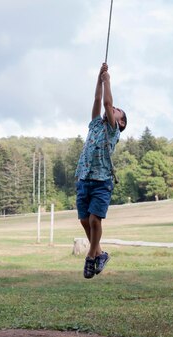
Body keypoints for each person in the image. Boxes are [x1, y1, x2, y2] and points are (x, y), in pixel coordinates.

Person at [75, 62, 127, 279]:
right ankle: (101, 254)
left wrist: (108, 81)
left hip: (101, 181)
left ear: (121, 122)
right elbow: (98, 101)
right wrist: (99, 77)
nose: (112, 109)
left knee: (96, 220)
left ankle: (90, 256)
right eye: (114, 109)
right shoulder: (95, 124)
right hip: (83, 178)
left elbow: (106, 102)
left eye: (117, 111)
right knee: (85, 221)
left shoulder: (112, 131)